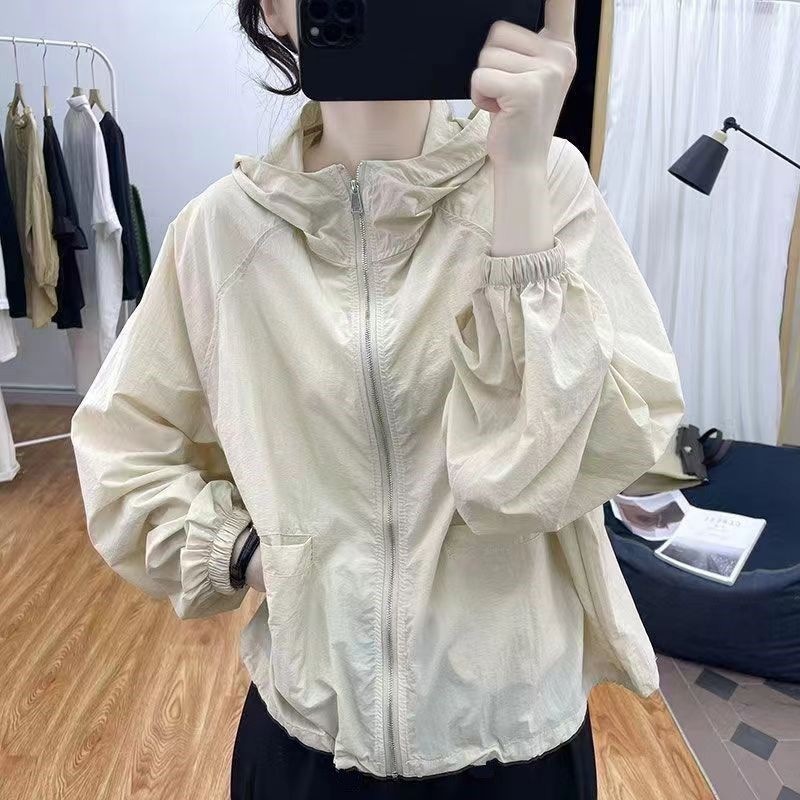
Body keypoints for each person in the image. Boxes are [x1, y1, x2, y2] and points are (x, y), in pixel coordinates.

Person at [70, 0, 686, 797]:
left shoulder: (544, 182)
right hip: (309, 741)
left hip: (514, 741)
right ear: (272, 11)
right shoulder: (220, 233)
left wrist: (520, 181)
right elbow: (122, 448)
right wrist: (248, 555)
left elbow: (565, 469)